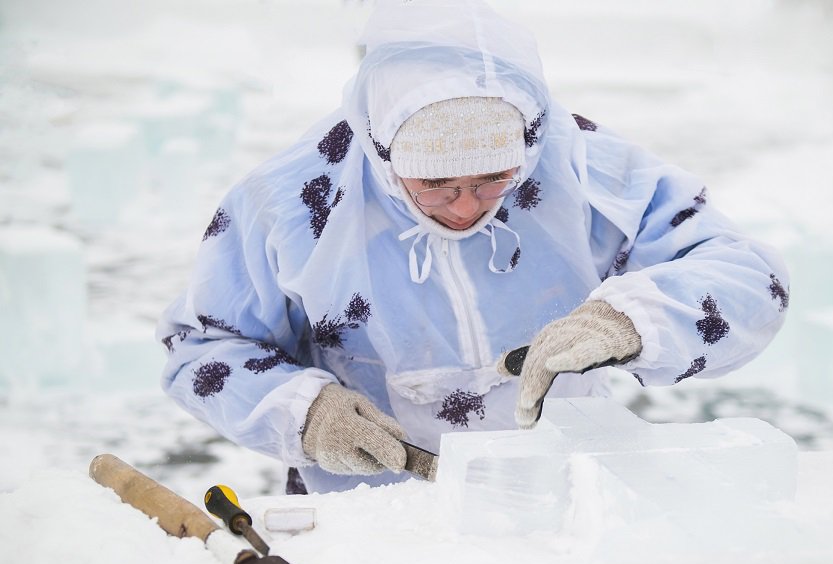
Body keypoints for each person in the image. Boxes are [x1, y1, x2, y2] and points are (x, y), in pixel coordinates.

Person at [157, 0, 789, 494]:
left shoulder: (576, 165)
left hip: (563, 492)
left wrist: (629, 320)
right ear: (384, 150)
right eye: (435, 186)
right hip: (371, 513)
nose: (466, 208)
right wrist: (304, 412)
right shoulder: (292, 204)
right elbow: (202, 346)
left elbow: (748, 276)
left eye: (495, 179)